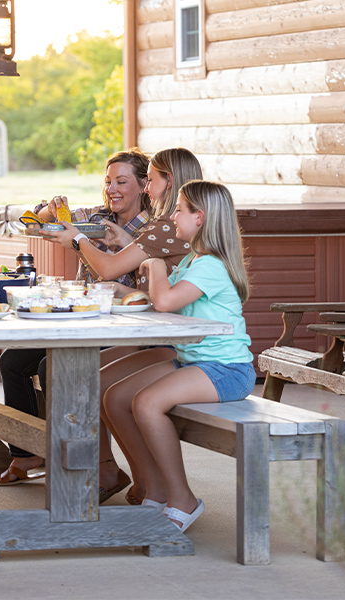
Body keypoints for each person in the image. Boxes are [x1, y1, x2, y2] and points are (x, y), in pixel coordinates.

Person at [43, 147, 203, 503]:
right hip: (168, 332)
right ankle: (134, 477)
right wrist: (129, 244)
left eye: (153, 180)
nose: (147, 188)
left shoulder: (164, 224)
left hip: (178, 340)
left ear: (169, 181)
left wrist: (79, 240)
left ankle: (145, 480)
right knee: (81, 373)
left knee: (91, 380)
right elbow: (164, 267)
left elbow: (110, 268)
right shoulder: (167, 225)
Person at [0, 149, 151, 486]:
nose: (112, 189)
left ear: (144, 185)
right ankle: (26, 453)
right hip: (80, 322)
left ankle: (94, 463)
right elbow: (34, 222)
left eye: (121, 182)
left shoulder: (151, 231)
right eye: (108, 182)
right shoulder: (93, 217)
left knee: (53, 366)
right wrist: (50, 208)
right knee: (12, 361)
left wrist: (80, 241)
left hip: (123, 331)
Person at [103, 180, 254, 532]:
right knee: (116, 397)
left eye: (180, 209)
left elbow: (165, 301)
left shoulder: (211, 265)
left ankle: (183, 498)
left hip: (226, 369)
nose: (172, 215)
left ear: (199, 217)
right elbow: (166, 302)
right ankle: (154, 491)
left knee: (146, 403)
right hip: (194, 360)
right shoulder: (192, 259)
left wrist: (155, 265)